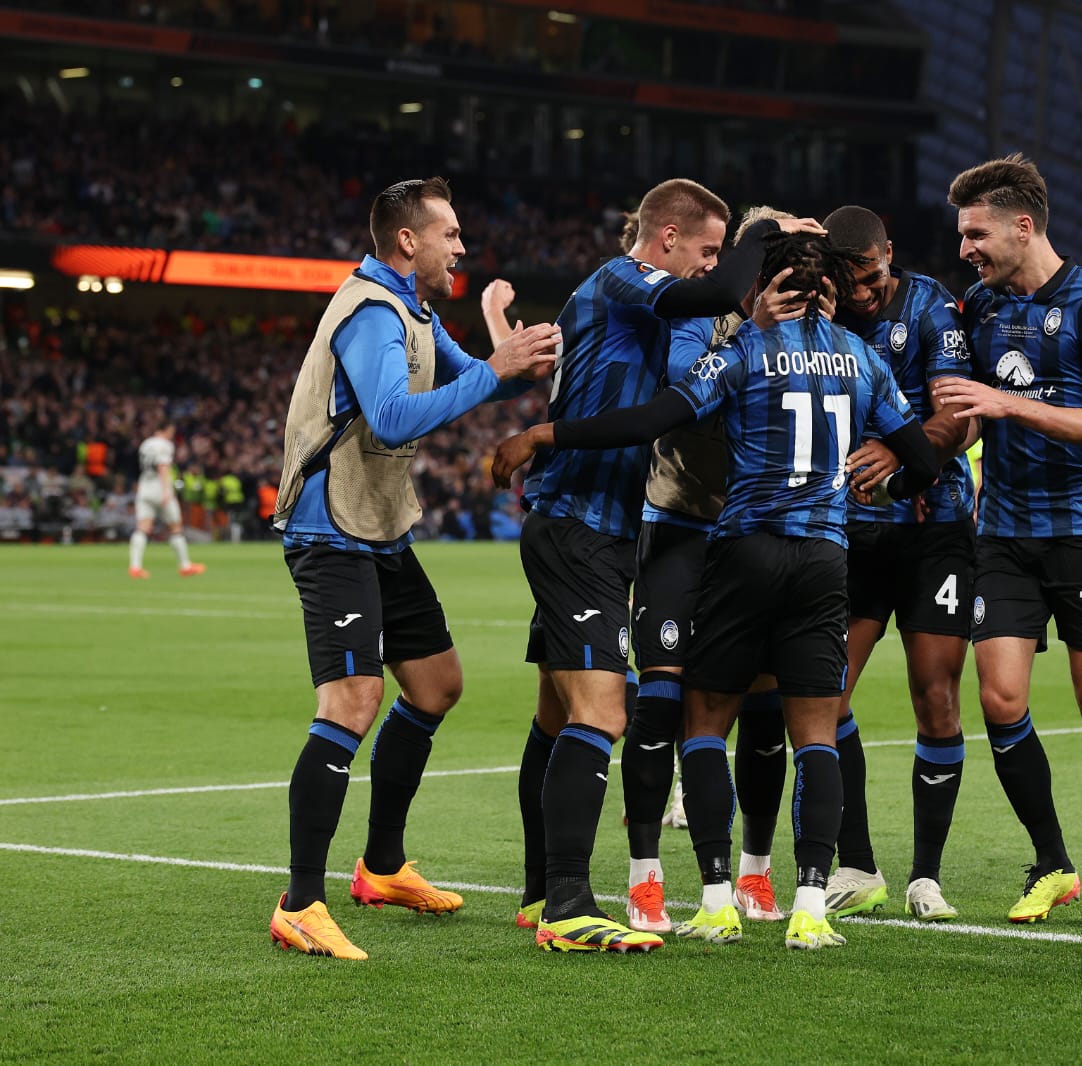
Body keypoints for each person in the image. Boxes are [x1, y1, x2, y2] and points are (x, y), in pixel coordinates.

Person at [495, 231, 940, 950]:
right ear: (828, 290)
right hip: (827, 557)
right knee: (815, 734)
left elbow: (653, 419)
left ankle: (712, 897)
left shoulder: (742, 352)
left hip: (743, 548)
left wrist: (549, 433)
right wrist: (879, 478)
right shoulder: (864, 361)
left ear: (769, 287)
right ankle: (810, 909)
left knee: (701, 721)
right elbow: (922, 464)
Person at [501, 177, 824, 953]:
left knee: (555, 711)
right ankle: (571, 905)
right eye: (706, 249)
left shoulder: (651, 301)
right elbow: (714, 291)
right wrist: (769, 231)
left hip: (600, 529)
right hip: (579, 525)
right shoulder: (626, 280)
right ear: (668, 237)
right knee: (604, 713)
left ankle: (540, 888)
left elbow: (686, 365)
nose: (712, 265)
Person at [267, 176, 562, 961]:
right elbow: (395, 413)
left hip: (380, 529)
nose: (461, 246)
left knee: (436, 686)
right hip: (329, 530)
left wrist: (507, 345)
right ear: (409, 241)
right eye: (451, 234)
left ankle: (384, 865)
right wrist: (496, 369)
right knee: (355, 699)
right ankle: (300, 902)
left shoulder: (415, 313)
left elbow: (481, 377)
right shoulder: (370, 313)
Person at [933, 153, 1082, 932]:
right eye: (962, 236)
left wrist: (1006, 404)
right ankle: (1052, 861)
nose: (967, 249)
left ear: (1024, 226)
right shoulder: (976, 311)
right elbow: (959, 415)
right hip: (1004, 537)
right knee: (999, 698)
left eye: (976, 233)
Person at [818, 204, 976, 923]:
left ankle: (927, 876)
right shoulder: (819, 314)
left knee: (935, 698)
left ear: (890, 254)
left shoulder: (932, 309)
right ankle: (858, 865)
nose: (862, 294)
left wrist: (899, 451)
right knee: (830, 698)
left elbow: (959, 415)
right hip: (849, 529)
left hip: (934, 527)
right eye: (849, 283)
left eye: (872, 277)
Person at [129, 421, 204, 579]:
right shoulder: (165, 445)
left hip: (144, 487)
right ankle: (185, 565)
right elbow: (163, 467)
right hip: (159, 488)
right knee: (175, 527)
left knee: (142, 527)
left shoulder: (145, 444)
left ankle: (135, 567)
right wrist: (166, 492)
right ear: (167, 430)